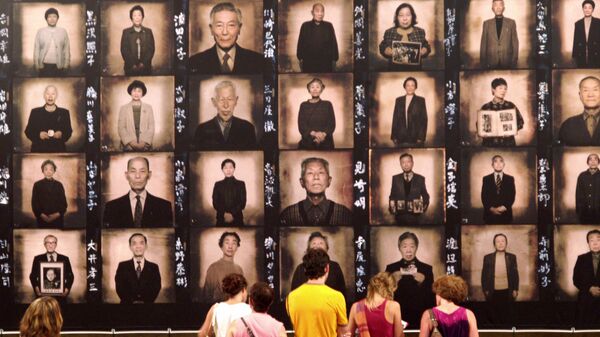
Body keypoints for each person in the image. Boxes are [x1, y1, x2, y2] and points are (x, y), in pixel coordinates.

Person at [286, 248, 348, 337]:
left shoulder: (291, 297)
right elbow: (343, 333)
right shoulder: (337, 297)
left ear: (304, 270)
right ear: (327, 268)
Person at [189, 2, 264, 74]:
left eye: (231, 25)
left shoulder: (257, 61)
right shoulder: (195, 62)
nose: (225, 32)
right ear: (211, 29)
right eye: (219, 25)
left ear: (239, 28)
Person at [280, 157, 352, 226]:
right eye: (310, 173)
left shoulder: (344, 214)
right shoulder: (288, 214)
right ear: (302, 182)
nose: (316, 177)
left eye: (321, 172)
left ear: (329, 181)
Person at [103, 156, 173, 227]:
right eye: (133, 171)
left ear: (149, 175)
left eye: (142, 171)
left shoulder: (164, 207)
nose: (137, 176)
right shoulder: (111, 207)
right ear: (126, 175)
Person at [385, 232, 434, 329]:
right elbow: (384, 296)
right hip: (397, 316)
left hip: (420, 317)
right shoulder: (391, 268)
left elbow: (431, 298)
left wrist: (423, 283)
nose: (408, 250)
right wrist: (392, 281)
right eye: (404, 246)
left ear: (417, 247)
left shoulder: (426, 269)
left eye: (412, 246)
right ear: (399, 248)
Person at [193, 80, 257, 150]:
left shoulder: (247, 129)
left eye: (229, 99)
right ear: (214, 102)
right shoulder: (202, 130)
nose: (226, 105)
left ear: (236, 101)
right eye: (221, 99)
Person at [347, 272, 405, 337]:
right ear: (390, 289)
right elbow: (399, 336)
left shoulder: (356, 307)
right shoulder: (394, 306)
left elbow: (348, 335)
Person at [291, 231, 346, 296]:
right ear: (308, 249)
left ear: (327, 248)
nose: (317, 246)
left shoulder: (335, 267)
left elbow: (342, 292)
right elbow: (294, 293)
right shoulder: (300, 268)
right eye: (314, 243)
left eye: (321, 243)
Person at [378, 3, 431, 70]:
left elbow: (427, 46)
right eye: (401, 15)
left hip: (415, 69)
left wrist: (424, 50)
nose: (405, 18)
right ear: (397, 17)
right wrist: (386, 50)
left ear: (412, 16)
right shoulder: (389, 32)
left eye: (408, 15)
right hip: (394, 69)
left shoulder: (420, 31)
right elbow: (382, 46)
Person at [115, 233, 161, 304]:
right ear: (130, 247)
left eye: (141, 243)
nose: (138, 246)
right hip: (127, 308)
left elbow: (156, 288)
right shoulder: (122, 266)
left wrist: (144, 302)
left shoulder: (154, 267)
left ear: (146, 246)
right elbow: (119, 288)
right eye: (134, 243)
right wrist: (132, 301)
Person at [24, 85, 73, 152]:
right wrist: (38, 135)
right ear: (44, 95)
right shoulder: (35, 112)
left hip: (58, 151)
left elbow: (69, 131)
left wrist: (61, 134)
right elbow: (28, 131)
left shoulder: (64, 113)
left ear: (56, 96)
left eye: (53, 94)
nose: (50, 96)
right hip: (39, 150)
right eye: (47, 94)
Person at [477, 78, 524, 146]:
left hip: (508, 143)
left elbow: (521, 122)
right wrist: (483, 133)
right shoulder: (486, 107)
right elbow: (479, 125)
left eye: (505, 88)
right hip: (490, 143)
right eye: (500, 88)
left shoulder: (510, 105)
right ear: (493, 89)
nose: (503, 91)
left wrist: (511, 131)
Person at [389, 153, 430, 226]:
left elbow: (425, 195)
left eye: (408, 162)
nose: (406, 164)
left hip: (415, 217)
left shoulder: (420, 179)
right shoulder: (395, 178)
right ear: (400, 164)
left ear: (412, 163)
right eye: (403, 162)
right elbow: (392, 195)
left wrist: (422, 208)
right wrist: (392, 207)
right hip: (399, 216)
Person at [296, 3, 339, 72]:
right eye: (317, 11)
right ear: (312, 12)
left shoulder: (329, 26)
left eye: (322, 11)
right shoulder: (305, 26)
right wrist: (300, 58)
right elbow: (300, 43)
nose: (320, 14)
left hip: (325, 62)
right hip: (309, 62)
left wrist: (334, 59)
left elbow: (334, 44)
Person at [203, 232, 244, 302]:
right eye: (227, 242)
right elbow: (207, 296)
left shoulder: (239, 269)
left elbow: (242, 295)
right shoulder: (213, 268)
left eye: (234, 243)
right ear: (221, 246)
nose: (230, 246)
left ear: (237, 247)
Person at [29, 235, 74, 299]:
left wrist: (66, 290)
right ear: (44, 244)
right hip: (43, 295)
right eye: (48, 242)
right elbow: (32, 276)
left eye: (53, 242)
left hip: (60, 295)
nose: (50, 245)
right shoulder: (37, 259)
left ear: (56, 244)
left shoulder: (64, 259)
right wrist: (37, 289)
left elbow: (70, 276)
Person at [559, 76, 600, 146]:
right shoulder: (568, 125)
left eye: (595, 89)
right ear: (580, 95)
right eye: (585, 90)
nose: (590, 95)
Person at [297, 78, 336, 150]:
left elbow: (331, 123)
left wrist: (323, 135)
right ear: (309, 90)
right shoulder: (303, 105)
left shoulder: (327, 104)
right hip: (308, 141)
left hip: (325, 140)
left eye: (317, 87)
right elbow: (302, 125)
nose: (315, 89)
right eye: (312, 87)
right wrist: (315, 134)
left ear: (321, 89)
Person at [479, 0, 518, 69]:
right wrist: (483, 63)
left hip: (507, 62)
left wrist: (513, 61)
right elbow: (483, 44)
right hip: (490, 62)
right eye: (495, 5)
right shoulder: (487, 24)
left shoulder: (511, 23)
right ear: (492, 8)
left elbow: (515, 43)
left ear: (503, 7)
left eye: (500, 5)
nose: (498, 7)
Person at [118, 80, 155, 151]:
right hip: (128, 146)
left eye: (139, 91)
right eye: (134, 90)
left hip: (145, 146)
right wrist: (131, 142)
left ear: (142, 93)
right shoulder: (124, 108)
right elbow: (121, 128)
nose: (136, 93)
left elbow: (151, 127)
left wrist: (144, 142)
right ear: (130, 92)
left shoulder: (148, 107)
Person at [573, 229, 600, 326]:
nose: (595, 243)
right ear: (588, 243)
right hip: (586, 303)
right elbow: (576, 279)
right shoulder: (581, 259)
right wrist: (589, 288)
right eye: (592, 240)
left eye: (598, 239)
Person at [481, 233, 519, 301]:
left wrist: (515, 289)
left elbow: (515, 274)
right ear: (494, 244)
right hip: (492, 291)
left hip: (508, 290)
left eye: (503, 241)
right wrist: (485, 289)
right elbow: (484, 275)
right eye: (498, 241)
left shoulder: (512, 257)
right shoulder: (488, 258)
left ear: (506, 243)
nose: (500, 243)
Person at [391, 77, 427, 146]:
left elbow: (424, 119)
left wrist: (421, 137)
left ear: (416, 87)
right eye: (408, 85)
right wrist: (394, 136)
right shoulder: (399, 100)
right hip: (400, 137)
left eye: (412, 85)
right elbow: (395, 118)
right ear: (404, 87)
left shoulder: (421, 100)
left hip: (415, 137)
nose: (410, 87)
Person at [33, 8, 70, 76]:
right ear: (46, 18)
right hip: (44, 65)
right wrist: (36, 64)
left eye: (54, 16)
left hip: (59, 66)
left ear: (57, 18)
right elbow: (37, 49)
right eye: (49, 16)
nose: (52, 19)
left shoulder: (63, 31)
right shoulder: (40, 31)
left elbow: (66, 49)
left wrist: (66, 64)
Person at [31, 160, 67, 227]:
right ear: (42, 170)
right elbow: (34, 203)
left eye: (51, 169)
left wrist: (55, 215)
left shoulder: (59, 185)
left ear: (54, 171)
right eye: (46, 169)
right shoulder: (37, 185)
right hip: (42, 219)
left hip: (57, 219)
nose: (48, 171)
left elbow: (64, 204)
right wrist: (43, 216)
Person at [120, 5, 155, 75]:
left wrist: (143, 64)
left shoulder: (148, 32)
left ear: (142, 17)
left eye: (139, 15)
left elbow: (151, 49)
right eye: (134, 15)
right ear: (131, 18)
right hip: (130, 68)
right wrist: (132, 65)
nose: (137, 18)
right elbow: (124, 50)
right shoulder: (126, 32)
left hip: (146, 68)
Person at [481, 155, 515, 224]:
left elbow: (512, 195)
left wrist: (504, 207)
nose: (498, 164)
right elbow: (484, 196)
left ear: (504, 164)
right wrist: (492, 209)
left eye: (501, 161)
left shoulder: (510, 179)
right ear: (492, 165)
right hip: (490, 215)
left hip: (506, 214)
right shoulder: (486, 179)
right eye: (496, 162)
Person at [212, 159, 246, 226]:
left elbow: (243, 202)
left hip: (237, 218)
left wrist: (232, 214)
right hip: (221, 218)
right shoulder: (218, 184)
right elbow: (215, 202)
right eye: (225, 168)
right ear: (222, 169)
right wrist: (225, 214)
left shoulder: (241, 184)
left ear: (234, 168)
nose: (228, 170)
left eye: (230, 167)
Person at [573, 0, 600, 68]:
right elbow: (575, 40)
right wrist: (575, 55)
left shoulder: (598, 22)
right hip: (581, 53)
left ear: (593, 9)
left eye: (589, 7)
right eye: (585, 7)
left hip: (596, 53)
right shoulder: (578, 23)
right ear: (583, 9)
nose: (587, 10)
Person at [576, 154, 600, 223]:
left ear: (598, 162)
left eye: (595, 159)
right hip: (584, 213)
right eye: (590, 159)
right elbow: (578, 194)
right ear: (587, 162)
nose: (593, 161)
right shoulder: (582, 176)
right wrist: (579, 211)